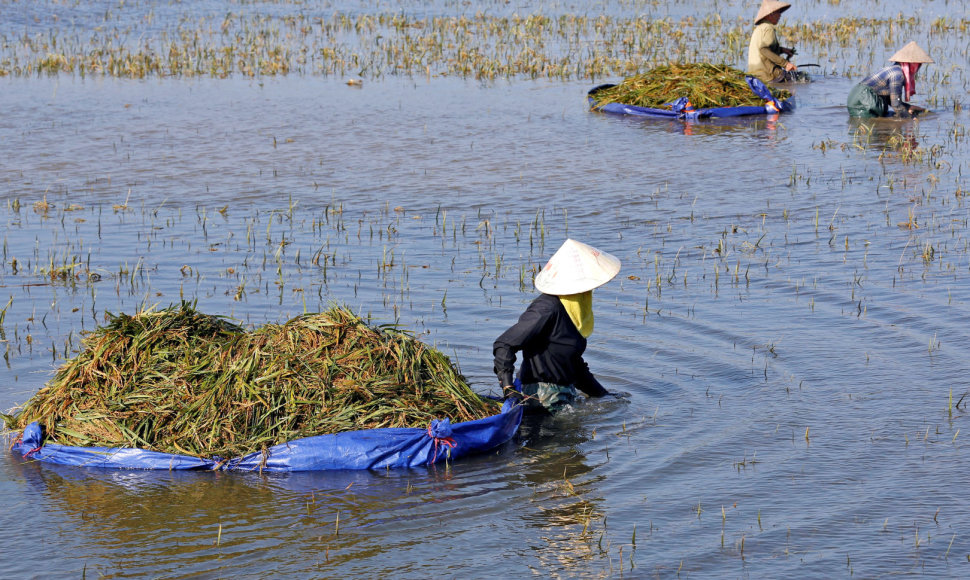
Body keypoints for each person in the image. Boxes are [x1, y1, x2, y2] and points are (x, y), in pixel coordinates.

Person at [493, 239, 621, 414]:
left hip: (564, 396)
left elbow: (573, 365)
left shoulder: (573, 311)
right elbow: (504, 344)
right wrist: (508, 387)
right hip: (541, 399)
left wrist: (604, 396)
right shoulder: (546, 309)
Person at [847, 41, 933, 118]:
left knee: (884, 119)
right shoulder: (898, 75)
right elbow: (896, 105)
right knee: (869, 125)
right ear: (912, 65)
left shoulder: (895, 69)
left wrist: (908, 107)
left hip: (858, 97)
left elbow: (891, 100)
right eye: (919, 65)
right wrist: (910, 119)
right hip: (863, 100)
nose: (918, 68)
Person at [747, 0, 797, 83]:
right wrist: (786, 64)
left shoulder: (760, 28)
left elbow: (765, 48)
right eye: (778, 12)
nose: (780, 15)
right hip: (767, 74)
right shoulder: (769, 28)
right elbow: (764, 49)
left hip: (754, 74)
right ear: (770, 14)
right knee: (803, 78)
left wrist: (782, 50)